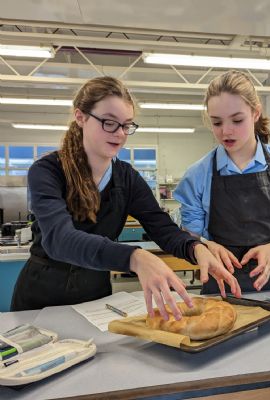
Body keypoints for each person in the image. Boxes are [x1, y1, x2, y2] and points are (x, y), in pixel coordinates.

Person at [11, 76, 241, 319]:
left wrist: (196, 248)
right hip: (40, 298)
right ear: (81, 117)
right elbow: (59, 239)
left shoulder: (127, 178)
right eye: (109, 123)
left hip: (95, 296)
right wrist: (134, 257)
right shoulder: (48, 170)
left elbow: (161, 228)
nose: (120, 134)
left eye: (126, 125)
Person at [174, 70, 270, 294]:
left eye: (237, 120)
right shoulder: (197, 175)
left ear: (255, 113)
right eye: (216, 123)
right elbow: (190, 238)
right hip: (220, 290)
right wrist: (205, 246)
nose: (226, 131)